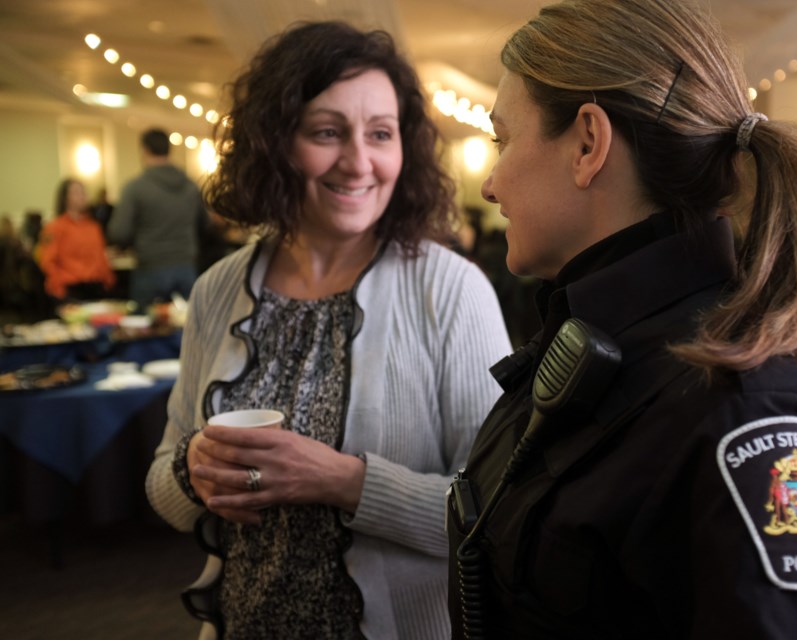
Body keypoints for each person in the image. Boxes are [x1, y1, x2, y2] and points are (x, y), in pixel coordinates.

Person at [445, 1, 797, 638]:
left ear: (588, 143)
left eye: (502, 141)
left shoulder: (739, 407)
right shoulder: (606, 339)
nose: (490, 183)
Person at [144, 21, 511, 640]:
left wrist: (343, 481)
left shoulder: (450, 290)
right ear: (275, 142)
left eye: (380, 134)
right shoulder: (217, 289)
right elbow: (165, 489)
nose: (359, 162)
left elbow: (501, 512)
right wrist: (192, 470)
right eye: (326, 132)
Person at [108, 128, 208, 309]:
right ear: (169, 150)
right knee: (187, 327)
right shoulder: (191, 187)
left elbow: (119, 232)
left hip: (151, 267)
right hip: (186, 265)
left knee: (145, 328)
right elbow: (206, 225)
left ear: (144, 150)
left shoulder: (136, 188)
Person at [37, 178, 115, 301]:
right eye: (77, 192)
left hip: (96, 287)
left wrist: (108, 279)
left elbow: (101, 256)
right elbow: (47, 261)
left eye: (84, 192)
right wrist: (58, 287)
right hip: (70, 289)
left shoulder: (93, 227)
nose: (83, 196)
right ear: (65, 197)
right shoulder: (55, 227)